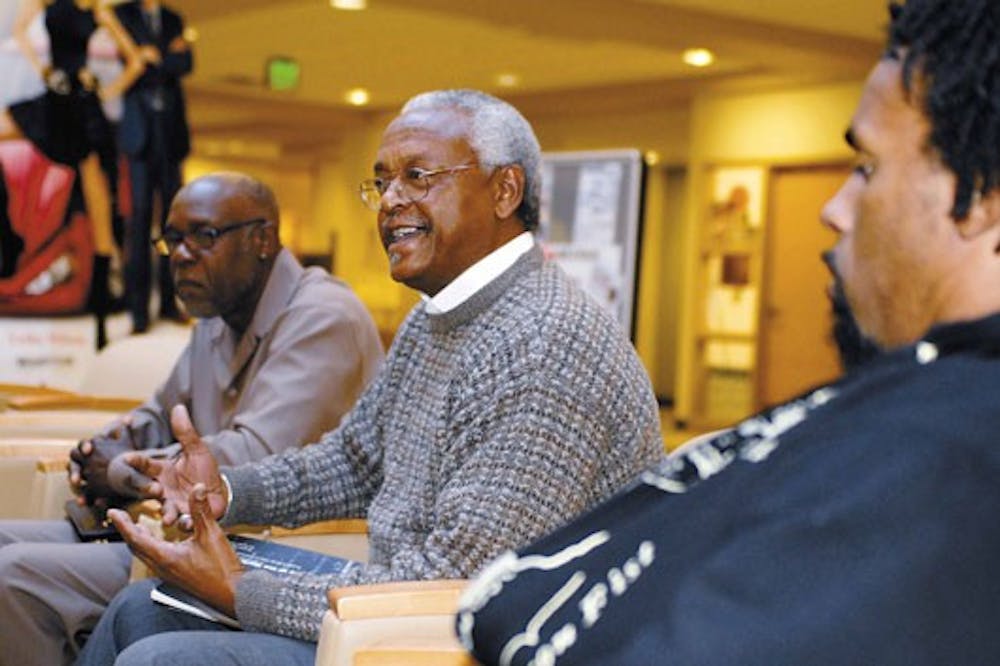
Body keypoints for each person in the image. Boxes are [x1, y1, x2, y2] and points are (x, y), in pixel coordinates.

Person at [458, 1, 1000, 664]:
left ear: (984, 199)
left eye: (868, 169)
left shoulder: (938, 463)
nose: (834, 209)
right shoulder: (913, 425)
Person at [75, 89, 664, 665]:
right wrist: (225, 491)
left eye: (418, 176)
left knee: (160, 656)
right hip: (401, 606)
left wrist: (241, 587)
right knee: (138, 607)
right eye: (383, 182)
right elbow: (354, 461)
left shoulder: (544, 340)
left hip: (477, 637)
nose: (390, 201)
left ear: (504, 190)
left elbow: (460, 583)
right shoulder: (437, 318)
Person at [0, 171, 385, 666]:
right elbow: (160, 414)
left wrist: (120, 470)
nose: (181, 255)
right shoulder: (217, 317)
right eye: (173, 239)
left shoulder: (326, 317)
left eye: (204, 236)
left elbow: (252, 457)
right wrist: (102, 448)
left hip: (257, 547)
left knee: (15, 575)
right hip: (174, 525)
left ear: (263, 239)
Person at [0, 0, 144, 348]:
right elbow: (19, 32)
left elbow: (135, 61)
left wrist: (106, 89)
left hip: (83, 107)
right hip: (54, 99)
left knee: (101, 222)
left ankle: (100, 321)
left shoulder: (97, 9)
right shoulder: (44, 2)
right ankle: (7, 243)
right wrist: (41, 68)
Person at [113, 0, 192, 333]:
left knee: (171, 226)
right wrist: (160, 57)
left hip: (170, 134)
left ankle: (169, 302)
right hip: (139, 134)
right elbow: (133, 64)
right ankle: (138, 311)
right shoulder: (122, 15)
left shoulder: (174, 18)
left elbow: (184, 63)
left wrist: (153, 58)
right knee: (140, 222)